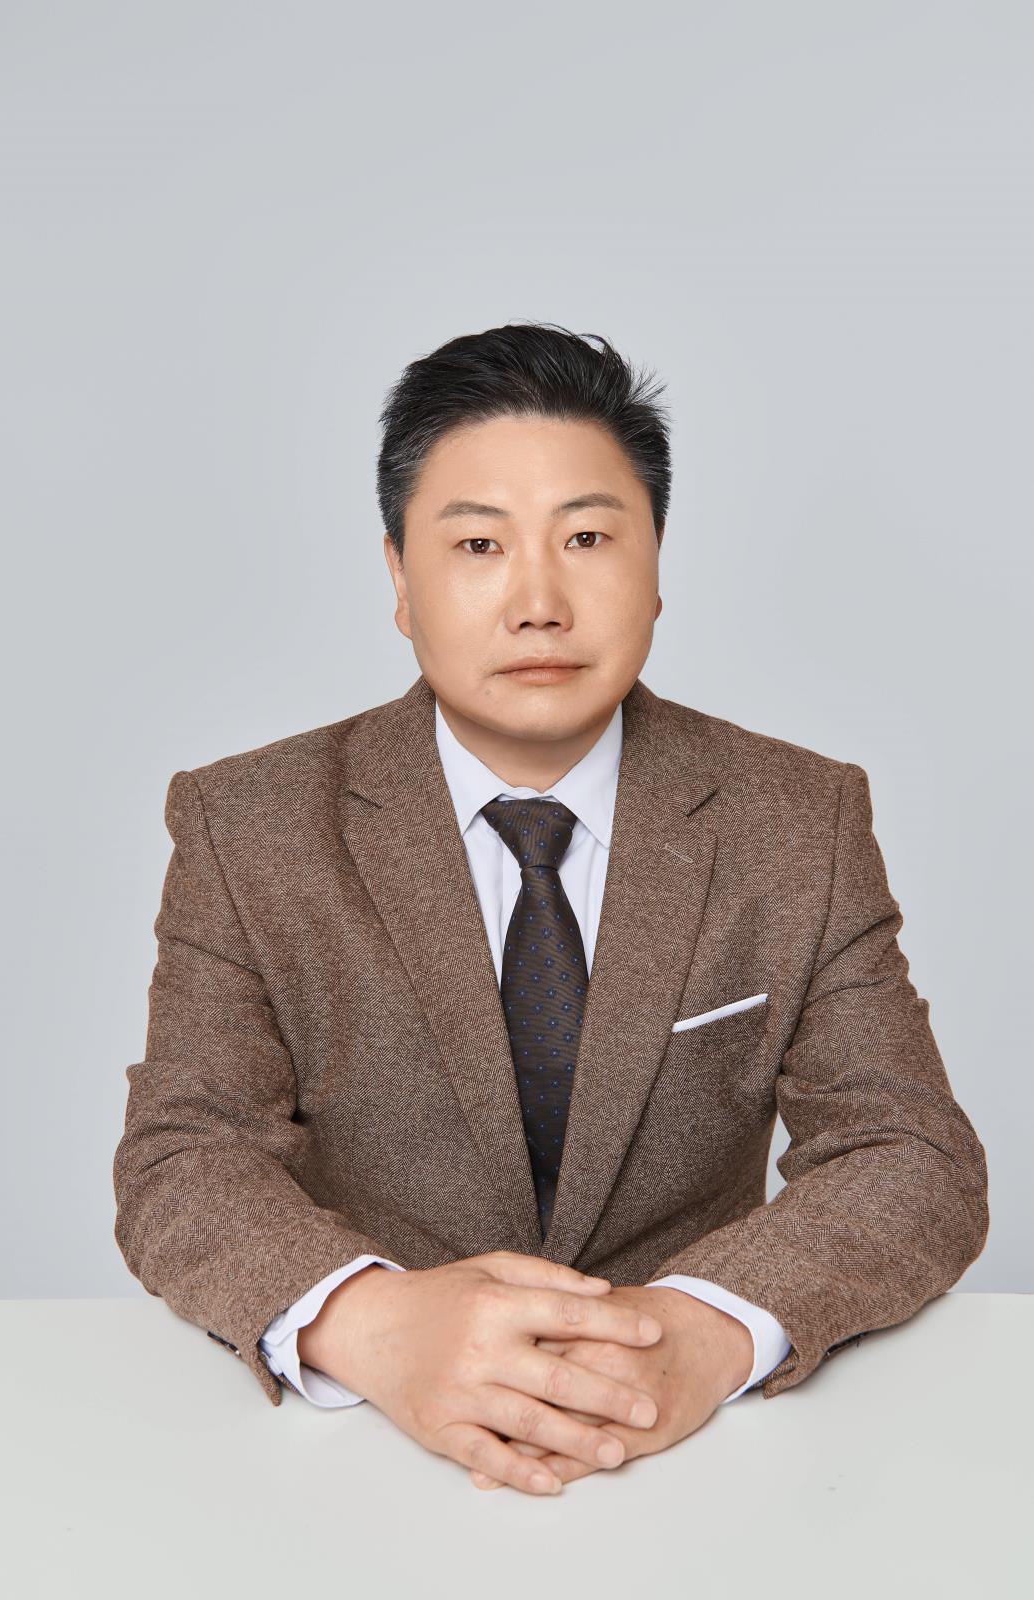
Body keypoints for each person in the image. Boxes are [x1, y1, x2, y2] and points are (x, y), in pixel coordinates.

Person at [113, 321, 989, 1498]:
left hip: (702, 1461)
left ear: (655, 563)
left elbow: (908, 1151)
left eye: (585, 537)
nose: (537, 601)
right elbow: (184, 1151)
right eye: (478, 543)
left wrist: (703, 1331)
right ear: (399, 578)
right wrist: (371, 1324)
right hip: (360, 1460)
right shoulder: (248, 822)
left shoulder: (797, 816)